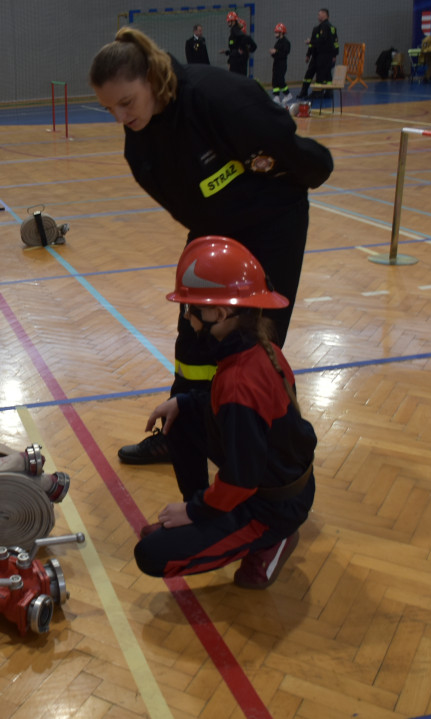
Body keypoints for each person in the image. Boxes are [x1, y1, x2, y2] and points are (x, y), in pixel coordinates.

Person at [89, 27, 333, 464]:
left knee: (258, 335)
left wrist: (306, 172)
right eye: (110, 109)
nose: (121, 118)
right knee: (195, 328)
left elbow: (287, 145)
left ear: (150, 76)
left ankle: (265, 437)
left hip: (273, 221)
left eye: (126, 102)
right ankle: (182, 431)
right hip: (213, 226)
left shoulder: (216, 96)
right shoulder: (141, 142)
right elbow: (179, 202)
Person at [132, 237, 316, 589]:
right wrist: (184, 402)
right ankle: (209, 519)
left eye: (191, 309)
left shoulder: (238, 382)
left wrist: (195, 511)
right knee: (181, 416)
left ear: (219, 313)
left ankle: (273, 538)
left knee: (152, 554)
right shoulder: (258, 347)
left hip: (273, 507)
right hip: (279, 478)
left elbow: (241, 479)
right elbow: (251, 420)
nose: (188, 318)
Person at [298, 8, 339, 99]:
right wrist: (308, 54)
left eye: (320, 15)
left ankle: (318, 93)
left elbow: (328, 41)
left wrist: (311, 41)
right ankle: (306, 91)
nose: (318, 16)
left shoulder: (327, 27)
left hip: (324, 55)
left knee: (322, 74)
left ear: (325, 15)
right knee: (315, 74)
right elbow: (334, 43)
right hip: (317, 55)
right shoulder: (317, 28)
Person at [270, 23, 293, 105]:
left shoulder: (286, 43)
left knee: (280, 79)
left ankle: (287, 94)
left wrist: (276, 51)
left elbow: (284, 54)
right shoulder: (278, 42)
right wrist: (273, 53)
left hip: (282, 64)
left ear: (281, 33)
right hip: (276, 63)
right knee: (275, 80)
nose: (275, 34)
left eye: (277, 32)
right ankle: (276, 96)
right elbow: (275, 54)